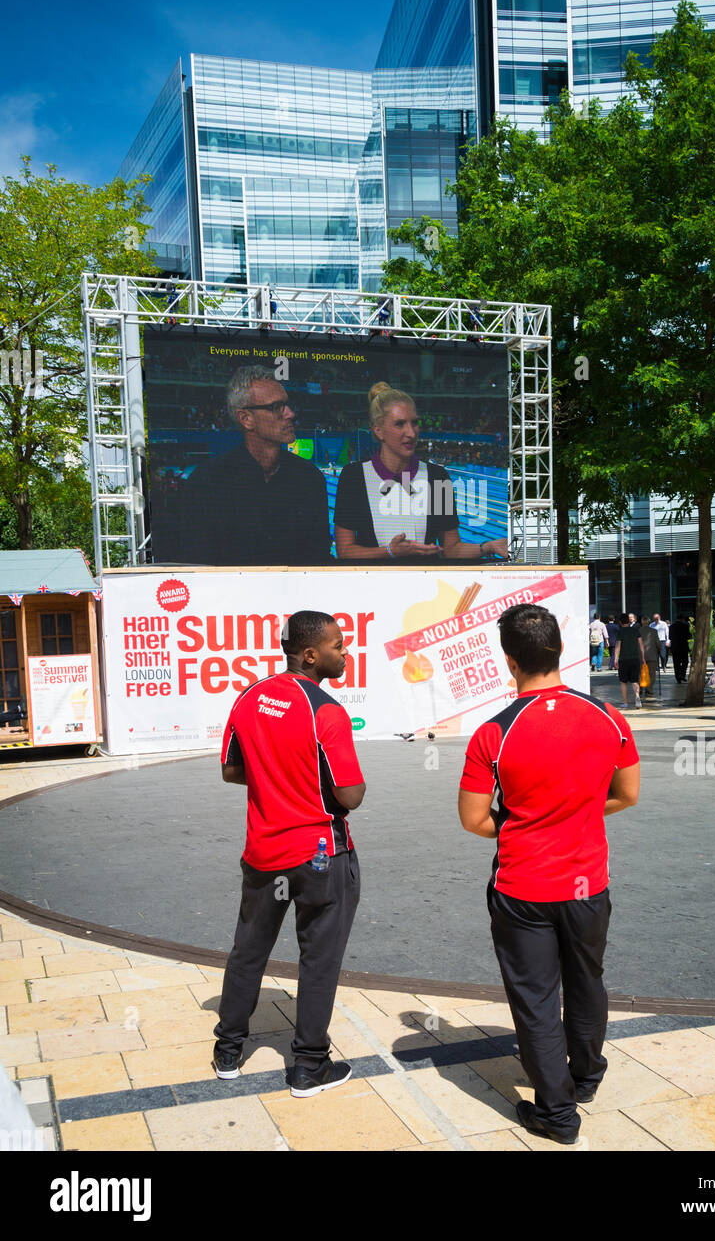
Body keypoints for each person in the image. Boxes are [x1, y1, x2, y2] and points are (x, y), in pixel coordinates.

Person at [458, 603, 640, 1145]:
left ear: (509, 661)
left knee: (536, 998)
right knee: (587, 982)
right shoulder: (608, 716)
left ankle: (557, 1114)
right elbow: (626, 795)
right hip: (588, 884)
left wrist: (522, 823)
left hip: (523, 886)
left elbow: (474, 819)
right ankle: (584, 1077)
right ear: (561, 650)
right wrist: (578, 811)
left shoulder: (494, 733)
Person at [213, 611, 365, 1094]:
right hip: (322, 855)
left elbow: (232, 771)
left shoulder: (248, 699)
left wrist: (275, 779)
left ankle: (228, 1049)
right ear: (310, 654)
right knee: (318, 958)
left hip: (263, 853)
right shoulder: (327, 711)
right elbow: (351, 795)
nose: (345, 653)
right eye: (339, 646)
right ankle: (308, 1066)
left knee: (248, 950)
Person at [163, 365, 331, 565]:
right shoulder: (207, 484)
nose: (290, 414)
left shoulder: (309, 479)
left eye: (287, 405)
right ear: (246, 419)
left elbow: (318, 558)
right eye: (276, 407)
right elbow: (198, 564)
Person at [334, 381, 508, 562]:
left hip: (428, 588)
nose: (411, 432)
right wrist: (389, 552)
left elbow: (451, 549)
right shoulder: (354, 477)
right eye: (400, 424)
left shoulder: (437, 477)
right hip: (372, 587)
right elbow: (345, 551)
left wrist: (486, 546)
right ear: (378, 430)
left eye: (414, 423)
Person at [614, 612, 645, 708]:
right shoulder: (635, 631)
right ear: (628, 621)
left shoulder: (620, 632)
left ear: (620, 622)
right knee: (634, 680)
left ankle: (625, 702)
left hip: (623, 660)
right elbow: (641, 645)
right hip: (635, 659)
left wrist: (616, 659)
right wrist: (643, 658)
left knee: (623, 682)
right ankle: (637, 697)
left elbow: (618, 647)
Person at [639, 616, 660, 697]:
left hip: (640, 656)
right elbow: (658, 643)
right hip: (652, 655)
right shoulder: (654, 631)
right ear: (649, 622)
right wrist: (659, 650)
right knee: (651, 674)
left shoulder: (638, 631)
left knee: (640, 673)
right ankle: (649, 690)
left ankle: (640, 689)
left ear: (642, 622)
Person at [669, 615, 691, 683]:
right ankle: (682, 675)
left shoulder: (672, 626)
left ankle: (678, 677)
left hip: (675, 647)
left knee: (676, 663)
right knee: (685, 662)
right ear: (682, 619)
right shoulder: (685, 626)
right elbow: (688, 636)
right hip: (683, 647)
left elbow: (670, 637)